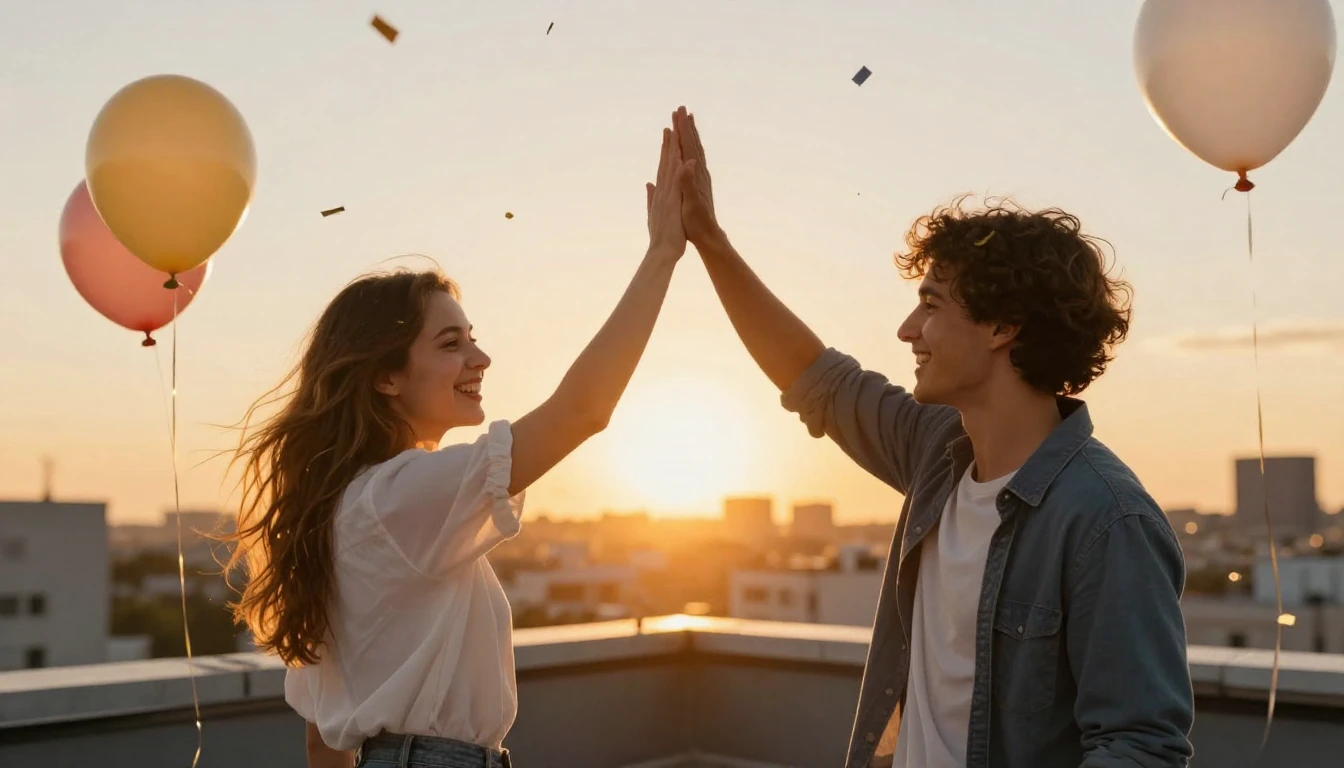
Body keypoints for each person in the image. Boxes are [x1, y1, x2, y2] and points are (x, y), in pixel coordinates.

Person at [670, 106, 1194, 768]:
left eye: (932, 305)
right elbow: (817, 379)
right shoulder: (934, 454)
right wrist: (710, 240)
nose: (906, 330)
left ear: (1003, 327)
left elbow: (1140, 747)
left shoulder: (1106, 521)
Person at [222, 116, 691, 768]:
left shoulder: (356, 506)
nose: (481, 358)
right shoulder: (396, 498)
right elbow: (583, 410)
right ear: (385, 375)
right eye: (451, 344)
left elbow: (322, 737)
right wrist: (663, 254)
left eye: (471, 337)